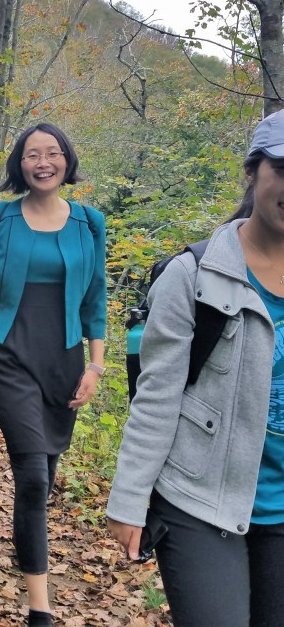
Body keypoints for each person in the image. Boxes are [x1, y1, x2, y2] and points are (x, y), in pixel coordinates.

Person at [107, 110, 284, 627]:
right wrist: (129, 499)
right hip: (200, 498)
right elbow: (158, 397)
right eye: (282, 169)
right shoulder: (193, 277)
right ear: (253, 173)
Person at [0, 123, 106, 627]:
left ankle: (29, 546)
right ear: (19, 165)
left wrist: (96, 364)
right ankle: (39, 608)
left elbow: (96, 298)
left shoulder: (89, 223)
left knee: (45, 476)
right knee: (33, 476)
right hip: (9, 353)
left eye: (53, 152)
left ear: (67, 159)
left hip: (62, 358)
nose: (43, 162)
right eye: (32, 154)